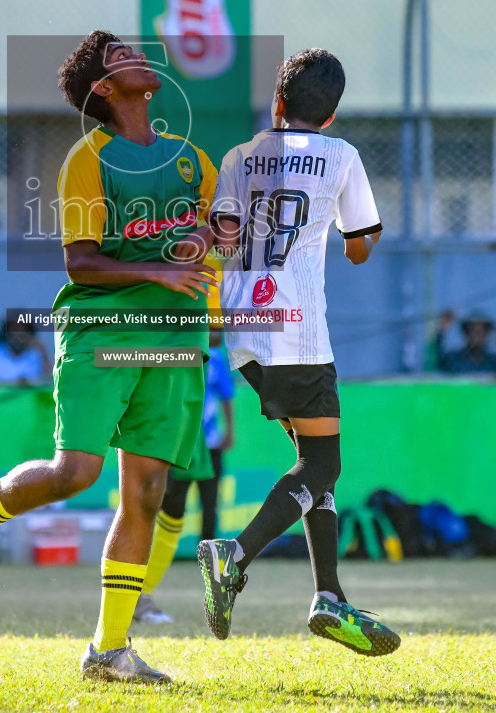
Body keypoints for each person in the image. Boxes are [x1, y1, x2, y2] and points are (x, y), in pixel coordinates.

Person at [0, 31, 216, 685]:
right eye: (122, 59)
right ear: (106, 90)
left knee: (145, 490)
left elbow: (213, 238)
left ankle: (109, 651)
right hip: (101, 327)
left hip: (174, 337)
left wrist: (212, 244)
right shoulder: (89, 159)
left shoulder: (192, 159)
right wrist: (161, 276)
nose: (141, 57)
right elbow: (79, 260)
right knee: (76, 471)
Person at [197, 48, 400, 657]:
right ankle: (231, 555)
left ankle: (328, 595)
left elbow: (223, 235)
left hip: (244, 330)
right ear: (331, 116)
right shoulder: (341, 156)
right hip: (299, 331)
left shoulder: (239, 157)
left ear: (277, 104)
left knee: (312, 463)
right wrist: (355, 234)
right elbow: (361, 245)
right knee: (323, 467)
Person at [134, 325, 237, 626]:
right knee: (165, 507)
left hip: (205, 442)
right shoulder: (173, 350)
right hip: (174, 441)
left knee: (202, 505)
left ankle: (206, 569)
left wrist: (229, 430)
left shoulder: (215, 359)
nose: (218, 331)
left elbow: (226, 396)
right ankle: (137, 593)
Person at [432, 310, 496, 374]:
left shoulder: (495, 362)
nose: (477, 335)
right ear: (466, 333)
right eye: (472, 330)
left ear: (487, 334)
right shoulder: (453, 359)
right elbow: (434, 363)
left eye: (482, 331)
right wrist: (441, 332)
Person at [0, 317, 49, 385]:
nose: (17, 340)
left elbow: (48, 379)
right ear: (7, 336)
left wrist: (42, 350)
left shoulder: (35, 356)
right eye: (13, 335)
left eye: (22, 336)